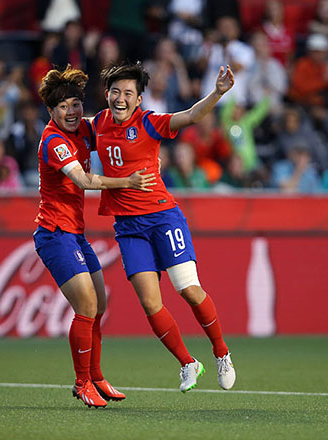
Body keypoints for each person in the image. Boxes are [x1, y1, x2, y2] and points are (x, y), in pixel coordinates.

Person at [91, 61, 236, 393]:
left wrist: (217, 92)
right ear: (107, 94)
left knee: (187, 289)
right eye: (115, 91)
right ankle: (188, 363)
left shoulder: (150, 122)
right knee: (150, 303)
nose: (120, 98)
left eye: (128, 93)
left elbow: (191, 116)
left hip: (162, 217)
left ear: (139, 99)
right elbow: (69, 131)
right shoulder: (97, 123)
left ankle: (221, 352)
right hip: (128, 227)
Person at [33, 66, 156, 408]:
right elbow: (85, 182)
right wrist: (127, 182)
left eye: (75, 104)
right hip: (54, 234)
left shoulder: (84, 129)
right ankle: (82, 382)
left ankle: (97, 377)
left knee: (99, 305)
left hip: (75, 232)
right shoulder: (53, 140)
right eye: (63, 107)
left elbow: (114, 129)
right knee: (86, 305)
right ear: (50, 111)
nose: (71, 112)